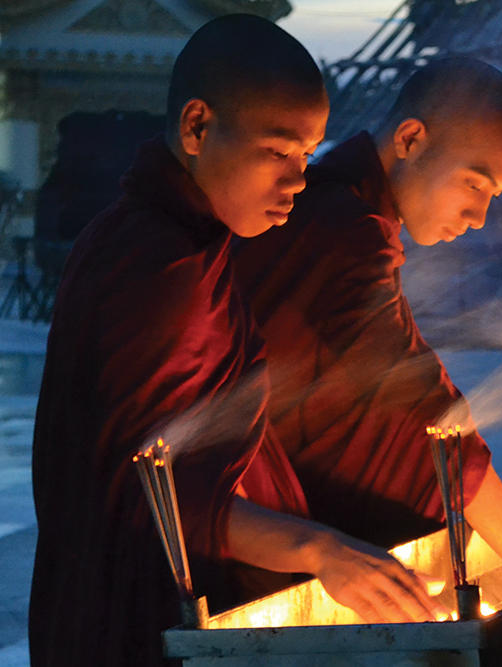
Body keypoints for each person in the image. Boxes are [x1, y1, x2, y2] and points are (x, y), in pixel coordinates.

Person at [30, 16, 444, 667]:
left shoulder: (160, 237)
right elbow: (163, 493)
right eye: (278, 151)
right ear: (197, 127)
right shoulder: (160, 267)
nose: (298, 180)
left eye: (307, 156)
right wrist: (321, 550)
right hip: (145, 621)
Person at [234, 58, 502, 598]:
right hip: (261, 537)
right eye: (475, 184)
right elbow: (423, 402)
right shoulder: (344, 227)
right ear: (410, 140)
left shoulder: (348, 211)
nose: (479, 216)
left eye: (494, 196)